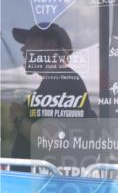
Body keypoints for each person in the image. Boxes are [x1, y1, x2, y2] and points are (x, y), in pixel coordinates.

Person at [9, 23, 96, 159]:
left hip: (42, 179)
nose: (23, 48)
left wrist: (18, 118)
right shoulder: (58, 81)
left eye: (30, 42)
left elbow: (50, 140)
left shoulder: (62, 79)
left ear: (50, 46)